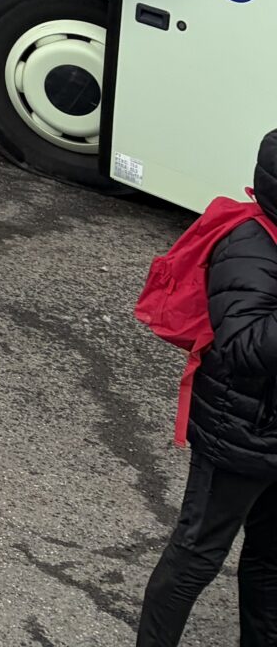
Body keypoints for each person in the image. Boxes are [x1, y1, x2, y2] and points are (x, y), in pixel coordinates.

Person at [135, 127, 277, 645]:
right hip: (238, 436)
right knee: (197, 555)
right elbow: (243, 344)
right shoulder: (249, 243)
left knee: (269, 562)